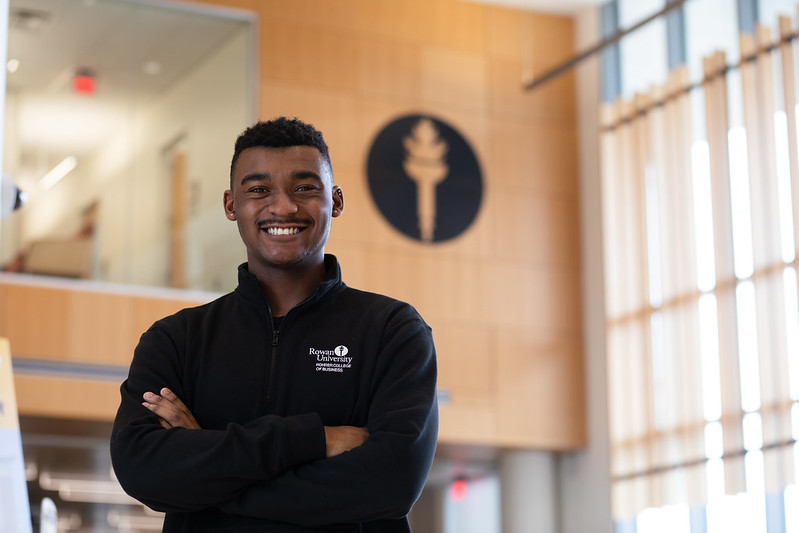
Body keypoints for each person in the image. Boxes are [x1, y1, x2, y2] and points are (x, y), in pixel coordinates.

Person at [110, 117, 439, 532]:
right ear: (231, 205)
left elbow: (392, 481)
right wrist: (315, 440)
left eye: (304, 188)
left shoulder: (392, 331)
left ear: (335, 201)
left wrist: (208, 470)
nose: (283, 207)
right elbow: (143, 469)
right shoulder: (176, 339)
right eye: (259, 190)